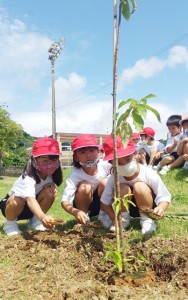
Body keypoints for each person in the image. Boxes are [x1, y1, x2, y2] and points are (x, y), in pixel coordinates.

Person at [98, 135, 171, 234]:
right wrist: (114, 217)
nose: (124, 165)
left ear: (135, 154)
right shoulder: (114, 178)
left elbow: (164, 196)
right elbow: (104, 202)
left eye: (128, 159)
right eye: (118, 162)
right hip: (126, 209)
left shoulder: (147, 173)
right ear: (111, 163)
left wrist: (161, 208)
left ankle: (146, 220)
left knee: (140, 187)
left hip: (146, 207)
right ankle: (124, 219)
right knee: (121, 188)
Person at [0, 137, 63, 236]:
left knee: (50, 192)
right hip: (12, 207)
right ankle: (10, 225)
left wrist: (51, 187)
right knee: (18, 198)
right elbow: (30, 199)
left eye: (53, 160)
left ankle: (34, 221)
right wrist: (43, 217)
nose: (49, 165)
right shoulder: (28, 178)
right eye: (45, 160)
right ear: (34, 160)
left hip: (31, 209)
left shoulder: (50, 176)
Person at [61, 134, 111, 225]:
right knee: (85, 186)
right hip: (83, 203)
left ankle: (104, 215)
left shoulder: (105, 165)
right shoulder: (75, 175)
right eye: (82, 152)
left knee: (106, 182)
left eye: (92, 151)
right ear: (76, 157)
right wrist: (76, 212)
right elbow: (65, 201)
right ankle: (84, 218)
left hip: (102, 204)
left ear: (98, 152)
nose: (88, 155)